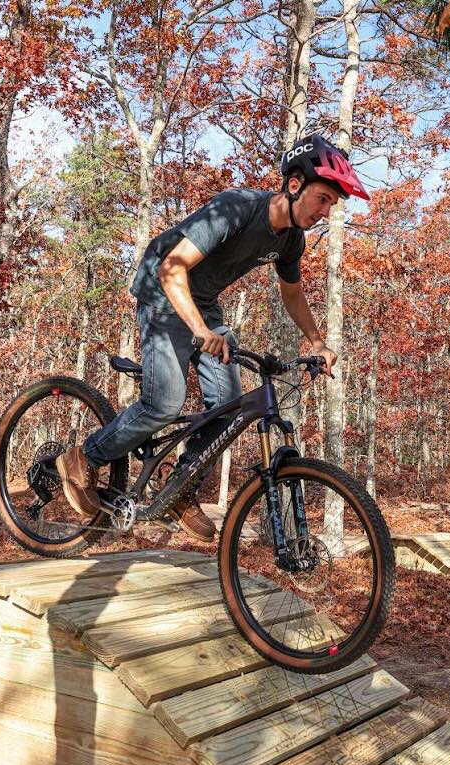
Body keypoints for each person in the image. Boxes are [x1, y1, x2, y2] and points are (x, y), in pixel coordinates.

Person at [56, 134, 370, 540]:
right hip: (162, 289)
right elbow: (172, 269)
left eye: (331, 204)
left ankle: (179, 489)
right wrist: (201, 331)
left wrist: (316, 341)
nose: (325, 210)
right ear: (295, 185)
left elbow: (291, 292)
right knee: (165, 403)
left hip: (202, 302)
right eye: (323, 198)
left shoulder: (292, 240)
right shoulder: (236, 207)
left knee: (227, 409)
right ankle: (83, 456)